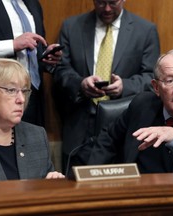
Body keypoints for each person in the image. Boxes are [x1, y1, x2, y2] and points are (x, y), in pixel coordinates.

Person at [53, 0, 160, 171]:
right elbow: (60, 70)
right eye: (101, 3)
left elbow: (152, 77)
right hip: (80, 128)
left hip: (124, 126)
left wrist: (124, 86)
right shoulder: (71, 27)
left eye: (112, 2)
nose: (107, 8)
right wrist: (81, 84)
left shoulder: (145, 30)